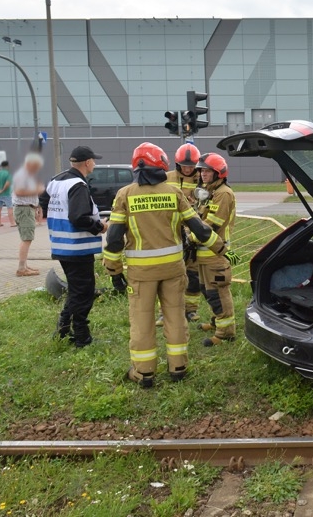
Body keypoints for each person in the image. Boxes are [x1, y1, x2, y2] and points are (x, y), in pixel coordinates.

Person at [103, 143, 226, 388]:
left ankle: (144, 372)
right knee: (175, 316)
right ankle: (178, 366)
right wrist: (221, 248)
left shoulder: (125, 194)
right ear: (162, 166)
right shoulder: (173, 193)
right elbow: (200, 229)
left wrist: (113, 271)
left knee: (142, 320)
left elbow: (114, 238)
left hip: (141, 274)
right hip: (173, 270)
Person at [47, 146, 109, 348]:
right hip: (77, 248)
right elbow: (78, 216)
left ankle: (63, 330)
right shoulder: (78, 185)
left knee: (76, 291)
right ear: (87, 163)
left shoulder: (57, 180)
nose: (95, 164)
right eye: (94, 160)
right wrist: (99, 226)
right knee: (84, 292)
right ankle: (82, 337)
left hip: (62, 246)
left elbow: (43, 198)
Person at [193, 153, 240, 347]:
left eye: (207, 171)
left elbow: (211, 224)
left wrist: (189, 238)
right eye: (202, 171)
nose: (203, 174)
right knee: (207, 290)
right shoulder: (208, 191)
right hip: (204, 253)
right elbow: (197, 218)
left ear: (218, 173)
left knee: (218, 293)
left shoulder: (223, 194)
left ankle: (226, 332)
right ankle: (216, 322)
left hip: (216, 253)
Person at [166, 143, 202, 321]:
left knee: (193, 275)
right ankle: (164, 313)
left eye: (191, 165)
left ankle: (191, 309)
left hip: (194, 233)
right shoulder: (167, 178)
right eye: (184, 165)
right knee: (169, 275)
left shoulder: (202, 179)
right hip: (172, 233)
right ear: (177, 163)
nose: (188, 169)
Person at [12, 152, 46, 276]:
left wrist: (36, 206)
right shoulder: (22, 176)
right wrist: (37, 190)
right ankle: (21, 268)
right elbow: (19, 191)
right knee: (27, 238)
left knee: (26, 238)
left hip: (27, 208)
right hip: (24, 209)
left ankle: (24, 265)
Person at [0, 160, 16, 227]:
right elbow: (7, 183)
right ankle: (12, 223)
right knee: (10, 208)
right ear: (7, 166)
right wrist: (3, 190)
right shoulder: (8, 174)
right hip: (6, 194)